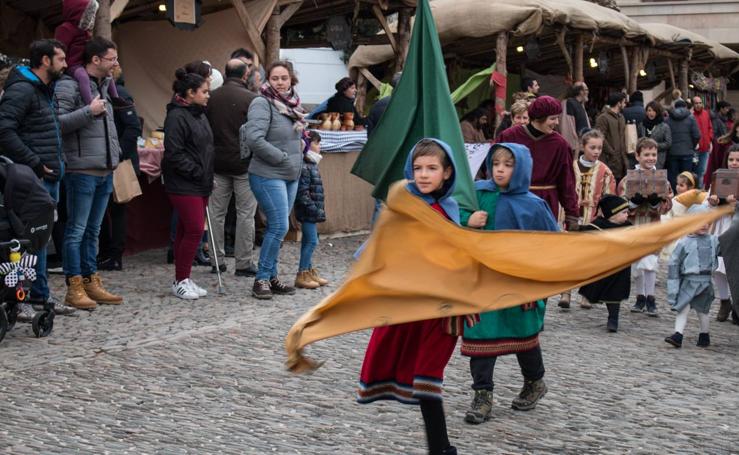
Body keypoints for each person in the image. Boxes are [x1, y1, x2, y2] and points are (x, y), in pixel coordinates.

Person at [358, 138, 461, 455]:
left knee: (429, 375)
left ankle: (440, 448)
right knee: (421, 376)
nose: (424, 174)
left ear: (446, 173)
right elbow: (379, 250)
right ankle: (441, 448)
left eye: (432, 168)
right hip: (410, 305)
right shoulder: (401, 208)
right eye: (418, 168)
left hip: (442, 310)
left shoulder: (451, 208)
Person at [460, 142, 558, 424]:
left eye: (508, 164)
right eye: (496, 163)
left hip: (520, 286)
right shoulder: (477, 194)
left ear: (522, 168)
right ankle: (482, 395)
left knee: (523, 338)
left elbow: (554, 245)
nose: (500, 169)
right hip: (481, 283)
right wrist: (469, 220)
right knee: (480, 336)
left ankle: (534, 382)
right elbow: (452, 215)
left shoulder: (534, 206)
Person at [0, 39, 77, 317]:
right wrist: (35, 162)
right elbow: (4, 130)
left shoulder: (43, 89)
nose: (66, 64)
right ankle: (22, 298)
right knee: (28, 241)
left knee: (41, 240)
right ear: (45, 61)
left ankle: (42, 297)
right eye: (60, 59)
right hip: (30, 179)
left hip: (47, 177)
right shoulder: (23, 90)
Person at [54, 36, 124, 310]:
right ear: (95, 60)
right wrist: (88, 111)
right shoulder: (68, 86)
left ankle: (91, 280)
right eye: (112, 59)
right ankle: (74, 286)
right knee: (77, 230)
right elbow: (57, 123)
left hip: (104, 168)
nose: (116, 64)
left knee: (93, 230)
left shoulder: (104, 85)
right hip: (81, 168)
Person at [245, 60, 306, 300]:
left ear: (291, 79)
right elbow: (254, 139)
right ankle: (261, 279)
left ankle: (271, 276)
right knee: (279, 225)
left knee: (279, 228)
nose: (280, 83)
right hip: (267, 173)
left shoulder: (293, 104)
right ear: (267, 80)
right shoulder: (262, 103)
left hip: (290, 174)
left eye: (284, 78)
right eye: (275, 78)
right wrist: (281, 157)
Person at [162, 68, 214, 300]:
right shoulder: (176, 116)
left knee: (187, 229)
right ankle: (180, 280)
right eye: (204, 92)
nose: (207, 95)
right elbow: (174, 153)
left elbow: (205, 147)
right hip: (183, 182)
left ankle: (184, 276)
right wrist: (196, 172)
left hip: (201, 181)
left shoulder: (199, 114)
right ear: (191, 93)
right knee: (194, 229)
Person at [206, 59, 259, 278]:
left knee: (216, 213)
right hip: (244, 164)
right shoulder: (252, 99)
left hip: (216, 163)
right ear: (245, 75)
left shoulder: (211, 97)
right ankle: (244, 262)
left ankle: (216, 261)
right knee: (246, 214)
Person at [497, 95, 579, 230]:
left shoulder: (560, 144)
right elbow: (493, 170)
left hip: (545, 204)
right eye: (553, 118)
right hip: (513, 201)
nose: (557, 122)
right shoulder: (509, 136)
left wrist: (572, 215)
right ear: (539, 118)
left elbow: (567, 181)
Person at [618, 138, 672, 316]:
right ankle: (639, 296)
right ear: (638, 156)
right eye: (646, 154)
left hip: (652, 224)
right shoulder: (628, 179)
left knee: (650, 261)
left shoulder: (662, 179)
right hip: (634, 225)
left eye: (653, 154)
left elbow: (668, 204)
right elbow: (621, 202)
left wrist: (657, 202)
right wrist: (633, 202)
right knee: (637, 263)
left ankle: (651, 297)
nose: (650, 158)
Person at [98, 66, 142, 271]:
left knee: (116, 210)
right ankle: (109, 253)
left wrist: (118, 152)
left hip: (119, 162)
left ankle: (114, 255)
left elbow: (133, 127)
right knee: (109, 210)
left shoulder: (120, 93)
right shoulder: (112, 92)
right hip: (113, 159)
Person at [664, 204, 720, 348]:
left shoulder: (714, 241)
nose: (704, 225)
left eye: (707, 221)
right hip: (688, 282)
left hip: (705, 283)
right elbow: (674, 264)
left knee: (703, 311)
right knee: (683, 308)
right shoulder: (683, 243)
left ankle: (704, 334)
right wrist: (673, 287)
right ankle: (678, 335)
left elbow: (722, 250)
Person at [578, 195, 632, 332]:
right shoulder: (599, 225)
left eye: (627, 212)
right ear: (612, 214)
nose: (627, 215)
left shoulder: (628, 227)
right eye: (624, 212)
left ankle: (613, 319)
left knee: (616, 293)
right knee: (602, 289)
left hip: (621, 268)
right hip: (603, 266)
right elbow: (584, 233)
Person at [54, 0, 121, 105]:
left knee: (108, 73)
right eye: (88, 14)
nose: (91, 18)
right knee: (83, 76)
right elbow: (58, 48)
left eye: (92, 14)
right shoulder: (65, 28)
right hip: (72, 64)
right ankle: (91, 103)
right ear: (78, 13)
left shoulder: (86, 32)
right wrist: (61, 66)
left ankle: (116, 99)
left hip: (85, 61)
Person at [705, 146, 739, 322]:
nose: (734, 163)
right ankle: (725, 300)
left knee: (734, 266)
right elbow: (710, 199)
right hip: (721, 225)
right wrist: (713, 200)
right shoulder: (720, 176)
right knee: (719, 266)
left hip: (736, 226)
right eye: (731, 159)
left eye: (737, 160)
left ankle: (736, 304)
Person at [294, 131, 329, 289]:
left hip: (310, 211)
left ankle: (308, 270)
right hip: (308, 212)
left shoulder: (312, 164)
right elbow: (303, 193)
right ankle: (302, 273)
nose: (319, 146)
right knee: (312, 241)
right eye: (316, 143)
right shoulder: (306, 166)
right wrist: (314, 209)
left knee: (309, 241)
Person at [573, 129, 616, 225]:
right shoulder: (570, 168)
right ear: (583, 146)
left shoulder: (606, 172)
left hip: (594, 221)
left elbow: (609, 200)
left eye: (599, 148)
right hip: (571, 218)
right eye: (592, 148)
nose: (596, 151)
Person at [666, 99, 701, 192]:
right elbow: (697, 135)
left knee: (673, 177)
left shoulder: (668, 119)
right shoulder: (691, 118)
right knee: (686, 177)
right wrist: (692, 146)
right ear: (685, 107)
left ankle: (674, 196)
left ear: (675, 107)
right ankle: (686, 196)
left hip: (672, 152)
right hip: (687, 152)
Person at [595, 92, 629, 181]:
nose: (625, 105)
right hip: (608, 160)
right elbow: (600, 137)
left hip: (621, 161)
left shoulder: (622, 117)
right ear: (619, 103)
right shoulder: (603, 118)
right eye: (624, 102)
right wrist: (612, 152)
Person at [704, 122, 739, 189]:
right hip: (722, 187)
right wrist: (709, 187)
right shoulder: (722, 145)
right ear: (737, 127)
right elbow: (712, 167)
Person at [638, 101, 671, 169]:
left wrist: (654, 145)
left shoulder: (664, 126)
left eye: (654, 111)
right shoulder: (642, 125)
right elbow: (639, 139)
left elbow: (668, 143)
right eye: (649, 110)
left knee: (656, 178)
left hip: (658, 158)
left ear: (658, 112)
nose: (651, 113)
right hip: (644, 158)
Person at [559, 82, 590, 155]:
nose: (587, 92)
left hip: (582, 146)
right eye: (586, 89)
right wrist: (574, 148)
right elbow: (566, 127)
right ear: (580, 91)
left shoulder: (580, 104)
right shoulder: (569, 103)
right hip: (575, 149)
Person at [692, 96, 713, 187]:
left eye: (700, 103)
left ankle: (699, 190)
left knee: (702, 171)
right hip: (695, 149)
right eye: (696, 103)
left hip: (705, 148)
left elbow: (710, 128)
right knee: (696, 171)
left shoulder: (706, 114)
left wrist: (710, 141)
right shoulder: (691, 116)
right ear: (693, 104)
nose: (698, 105)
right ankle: (696, 189)